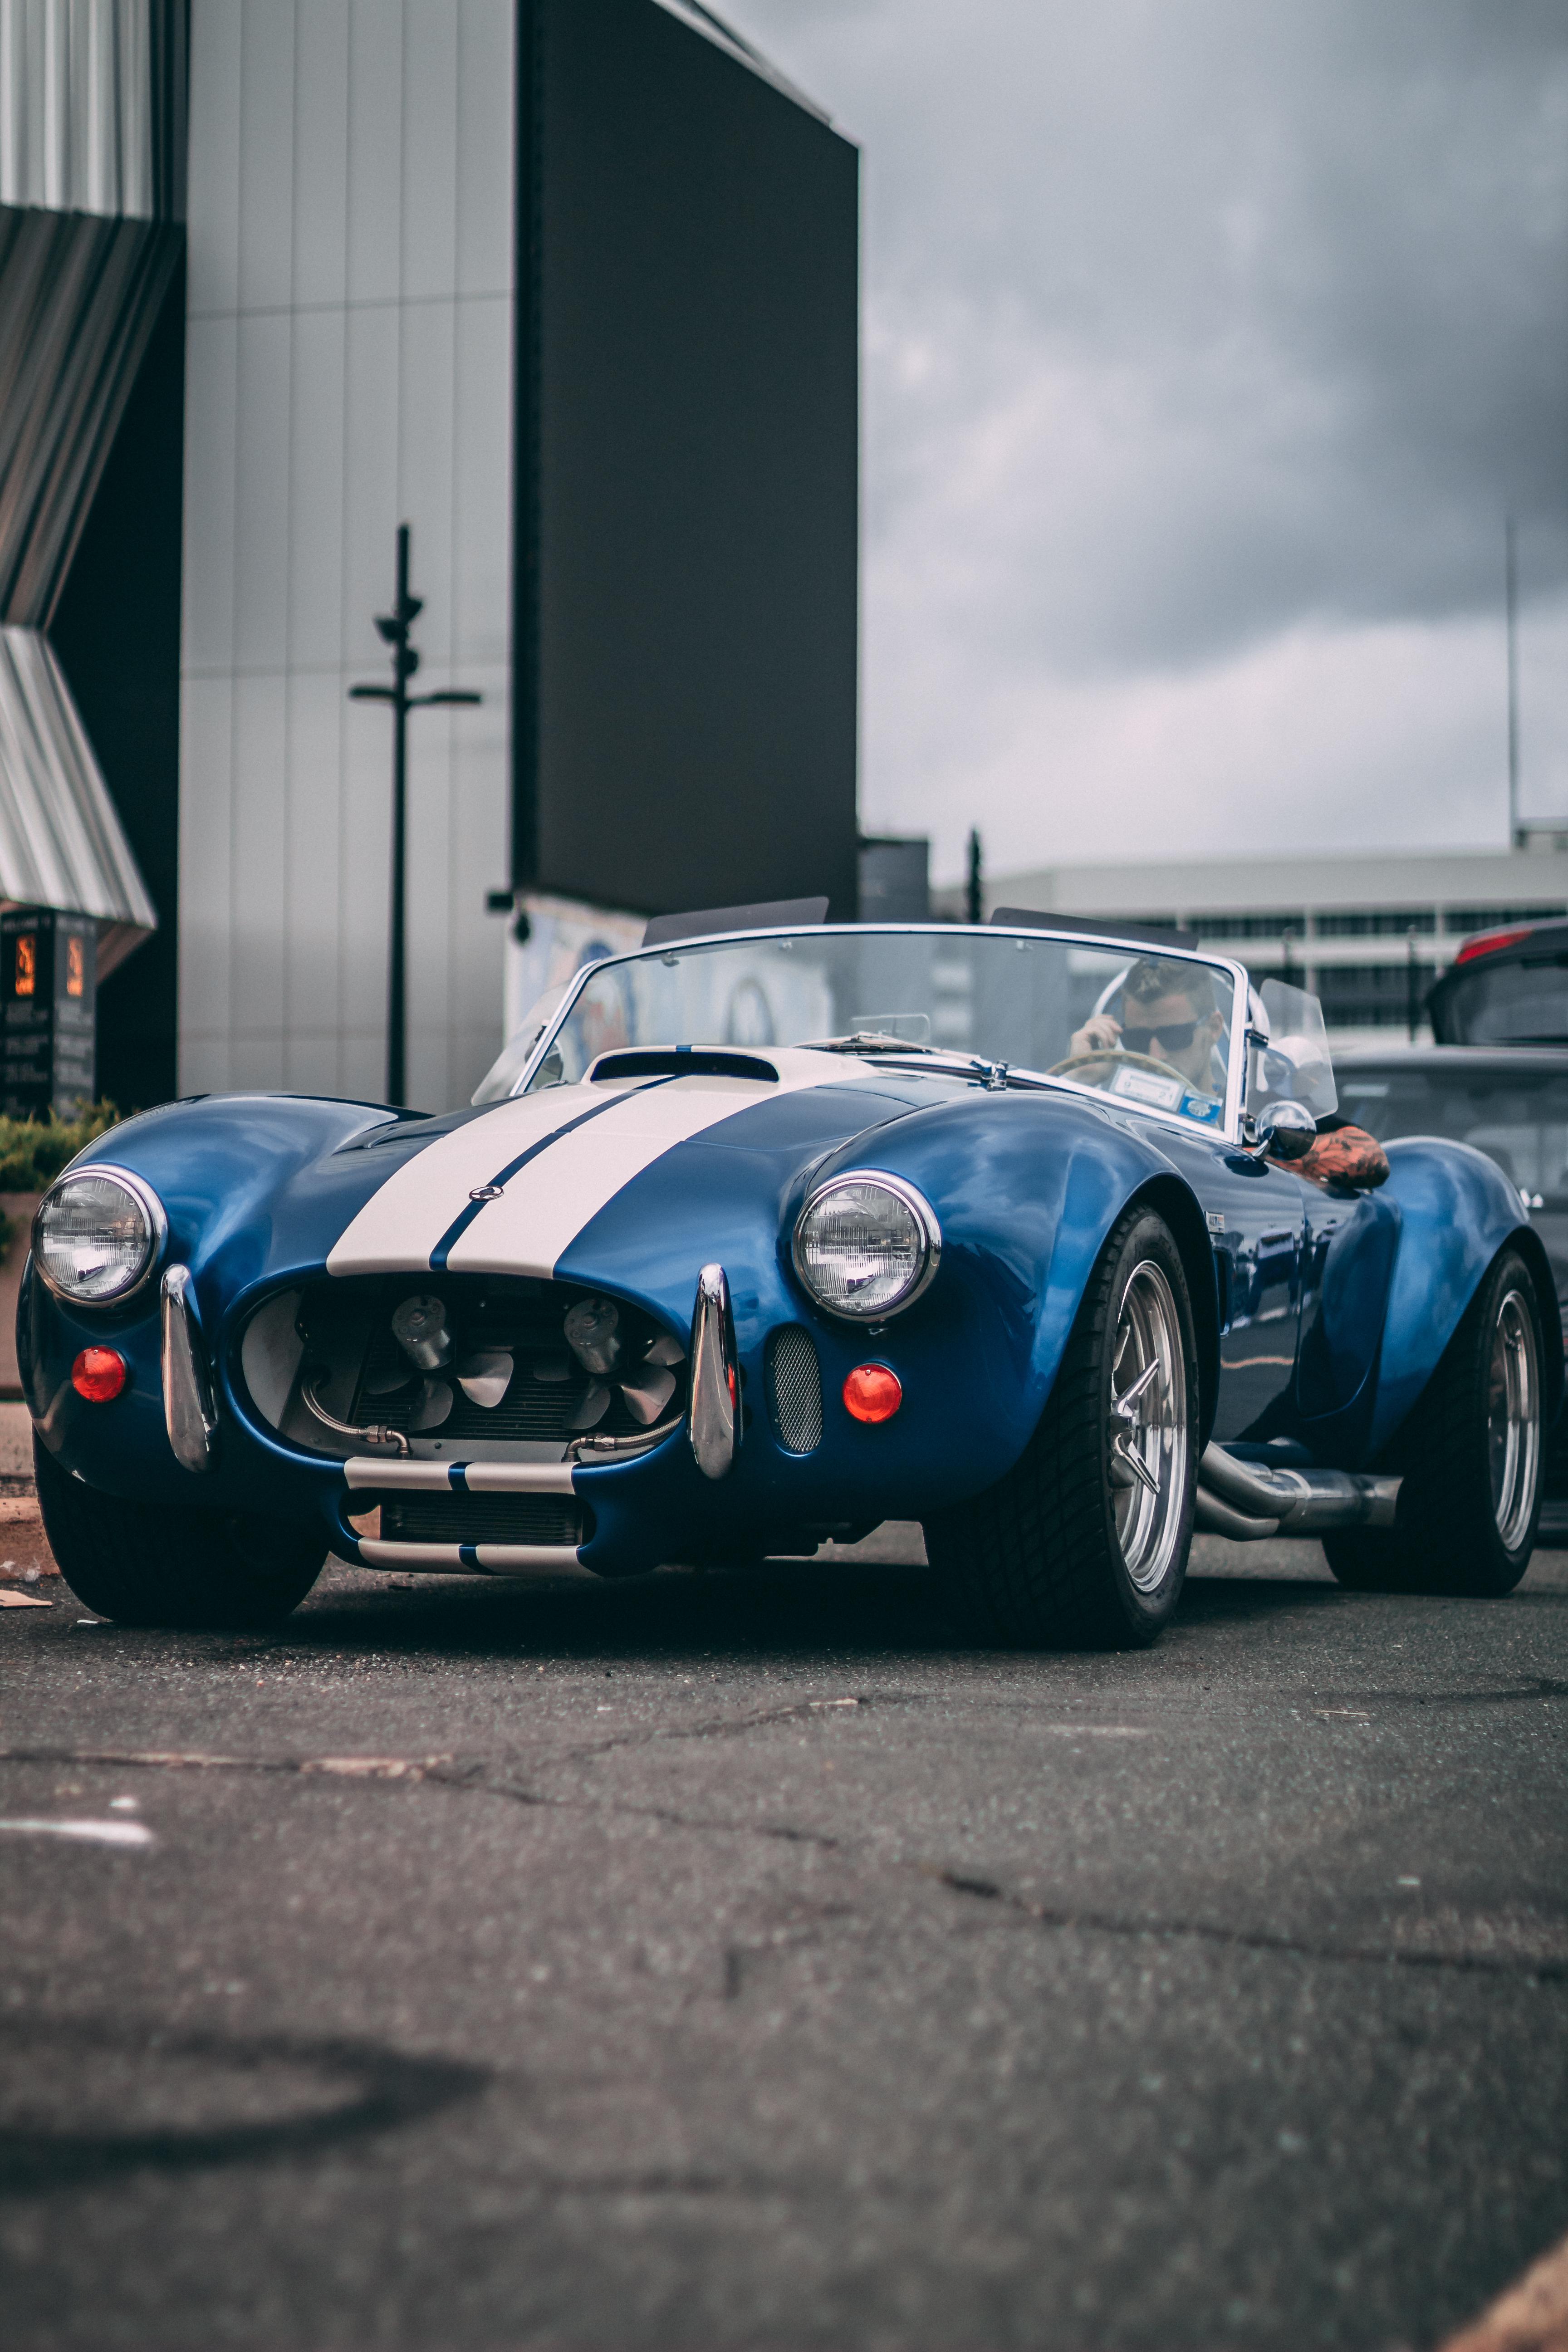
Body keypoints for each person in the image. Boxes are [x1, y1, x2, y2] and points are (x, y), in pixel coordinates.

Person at [1068, 957, 1388, 1189]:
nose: (1156, 1054)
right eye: (1137, 1039)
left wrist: (1250, 1150)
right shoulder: (1101, 1115)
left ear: (1213, 1028)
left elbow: (1368, 1156)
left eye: (1174, 1036)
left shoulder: (1251, 1114)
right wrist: (1078, 1080)